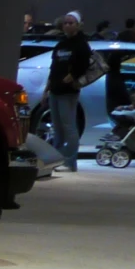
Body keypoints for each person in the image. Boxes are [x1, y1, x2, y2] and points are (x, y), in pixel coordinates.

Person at [46, 10, 94, 168]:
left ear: (78, 25)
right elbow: (53, 67)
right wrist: (47, 88)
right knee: (57, 127)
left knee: (69, 126)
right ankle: (56, 159)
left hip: (68, 91)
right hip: (55, 89)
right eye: (65, 23)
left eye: (71, 23)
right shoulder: (61, 44)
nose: (67, 25)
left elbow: (84, 64)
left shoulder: (81, 44)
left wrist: (71, 76)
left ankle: (70, 161)